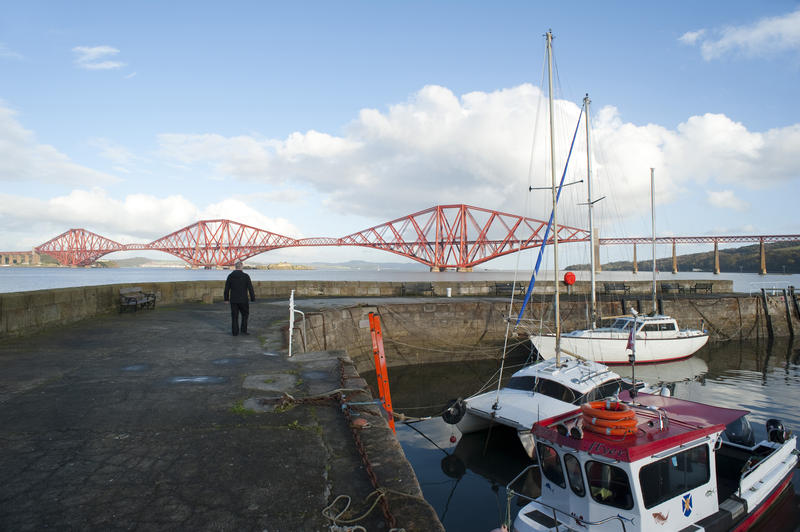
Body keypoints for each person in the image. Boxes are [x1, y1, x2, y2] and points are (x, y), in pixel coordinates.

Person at [223, 261, 255, 336]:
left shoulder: (230, 276)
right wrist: (252, 298)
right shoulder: (246, 276)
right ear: (241, 267)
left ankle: (235, 332)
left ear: (235, 267)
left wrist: (226, 299)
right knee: (245, 315)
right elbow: (250, 288)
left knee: (234, 316)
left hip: (233, 300)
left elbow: (227, 288)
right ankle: (243, 330)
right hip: (243, 299)